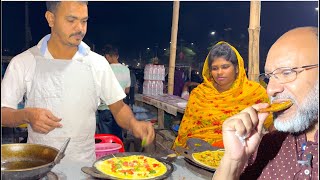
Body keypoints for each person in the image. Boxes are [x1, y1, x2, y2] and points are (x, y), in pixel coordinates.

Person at [1, 1, 154, 164]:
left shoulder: (98, 63)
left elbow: (119, 108)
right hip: (39, 167)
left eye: (84, 21)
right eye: (71, 20)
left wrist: (133, 123)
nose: (80, 28)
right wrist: (26, 115)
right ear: (50, 19)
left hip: (84, 167)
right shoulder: (23, 62)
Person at [212, 27, 318, 179]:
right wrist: (233, 161)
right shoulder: (267, 145)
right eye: (269, 77)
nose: (270, 90)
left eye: (287, 72)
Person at [172, 41, 273, 149]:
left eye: (225, 67)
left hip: (240, 154)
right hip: (196, 153)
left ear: (237, 68)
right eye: (215, 68)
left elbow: (271, 124)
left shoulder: (254, 92)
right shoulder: (199, 93)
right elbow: (186, 130)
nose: (219, 72)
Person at [96, 44, 131, 140]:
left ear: (107, 56)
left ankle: (108, 154)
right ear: (117, 56)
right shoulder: (126, 69)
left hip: (105, 108)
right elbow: (127, 90)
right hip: (120, 109)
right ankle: (119, 153)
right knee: (117, 137)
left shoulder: (104, 69)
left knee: (106, 139)